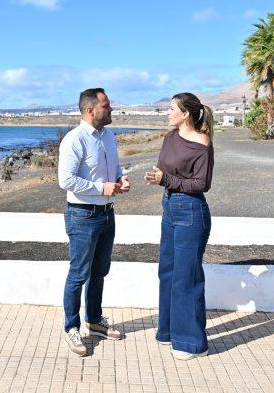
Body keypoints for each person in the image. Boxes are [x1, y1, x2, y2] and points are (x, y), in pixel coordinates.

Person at [58, 87, 130, 357]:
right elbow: (65, 180)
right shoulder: (74, 140)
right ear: (91, 110)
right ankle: (71, 328)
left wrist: (120, 180)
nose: (112, 110)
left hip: (107, 214)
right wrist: (102, 188)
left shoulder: (109, 136)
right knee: (78, 274)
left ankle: (95, 321)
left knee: (99, 271)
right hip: (82, 215)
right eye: (107, 106)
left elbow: (115, 168)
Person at [144, 92, 214, 360]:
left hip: (191, 210)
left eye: (172, 108)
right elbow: (166, 172)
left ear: (185, 114)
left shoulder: (202, 142)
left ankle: (193, 343)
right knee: (168, 272)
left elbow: (201, 184)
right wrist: (159, 178)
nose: (168, 112)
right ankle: (169, 331)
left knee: (187, 277)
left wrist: (168, 179)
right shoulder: (170, 137)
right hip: (170, 206)